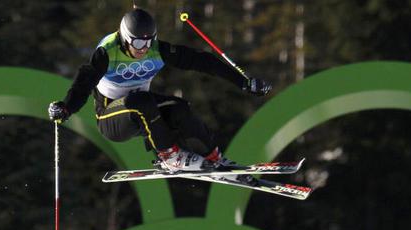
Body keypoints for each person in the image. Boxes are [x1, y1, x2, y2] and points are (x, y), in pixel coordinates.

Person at [47, 8, 272, 172]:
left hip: (144, 110)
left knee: (179, 107)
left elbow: (201, 61)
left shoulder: (156, 50)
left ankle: (212, 156)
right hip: (111, 119)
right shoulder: (107, 52)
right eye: (137, 44)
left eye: (148, 42)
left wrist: (243, 82)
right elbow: (84, 81)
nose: (143, 49)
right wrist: (66, 107)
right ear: (125, 39)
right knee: (142, 101)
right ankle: (169, 157)